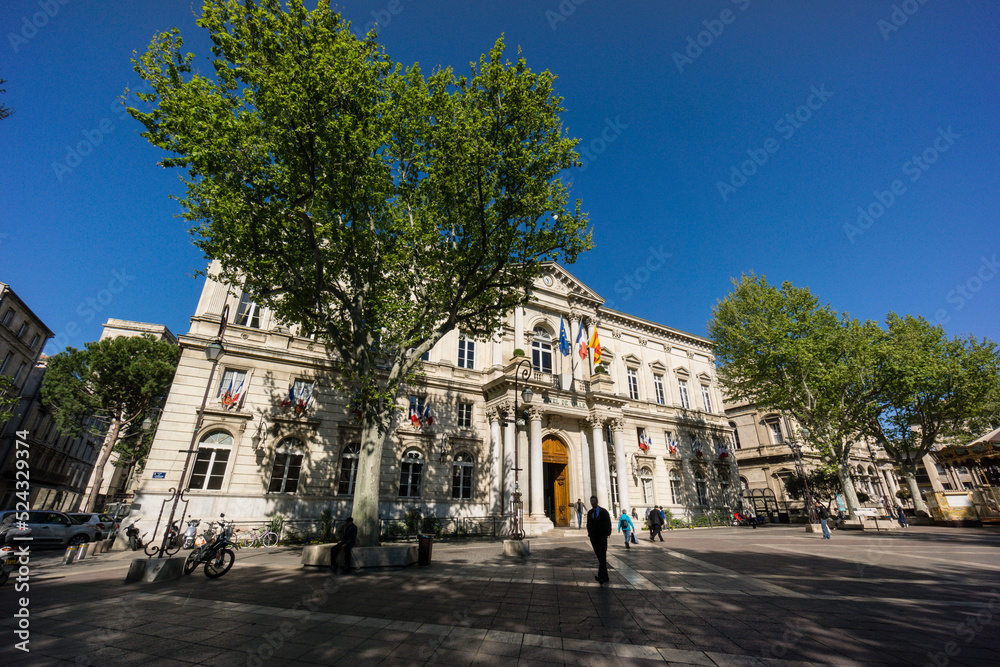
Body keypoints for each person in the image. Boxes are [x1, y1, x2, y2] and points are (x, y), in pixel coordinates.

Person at [586, 496, 612, 584]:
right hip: (593, 537)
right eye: (591, 501)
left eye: (593, 501)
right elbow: (588, 524)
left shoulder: (603, 512)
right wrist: (589, 533)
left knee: (602, 555)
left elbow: (608, 522)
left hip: (602, 536)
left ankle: (601, 577)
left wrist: (607, 533)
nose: (592, 503)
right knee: (600, 557)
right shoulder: (590, 513)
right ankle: (605, 576)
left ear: (597, 501)